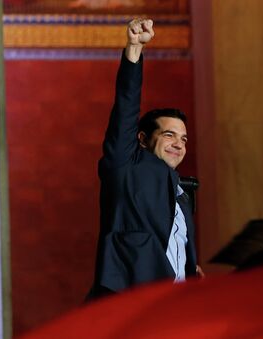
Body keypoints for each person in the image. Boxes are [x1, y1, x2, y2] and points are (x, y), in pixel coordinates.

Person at [86, 18, 203, 301]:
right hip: (131, 302)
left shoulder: (181, 194)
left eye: (183, 139)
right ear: (142, 139)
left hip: (174, 308)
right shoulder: (126, 165)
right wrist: (134, 51)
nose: (178, 144)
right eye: (169, 135)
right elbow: (126, 106)